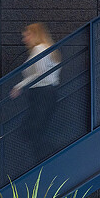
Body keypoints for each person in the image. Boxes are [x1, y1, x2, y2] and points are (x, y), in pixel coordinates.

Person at [10, 23, 61, 162]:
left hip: (42, 94)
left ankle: (49, 158)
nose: (24, 39)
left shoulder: (39, 49)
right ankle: (46, 160)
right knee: (35, 130)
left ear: (35, 34)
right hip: (45, 94)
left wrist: (20, 86)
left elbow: (41, 73)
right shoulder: (47, 49)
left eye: (27, 35)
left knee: (32, 130)